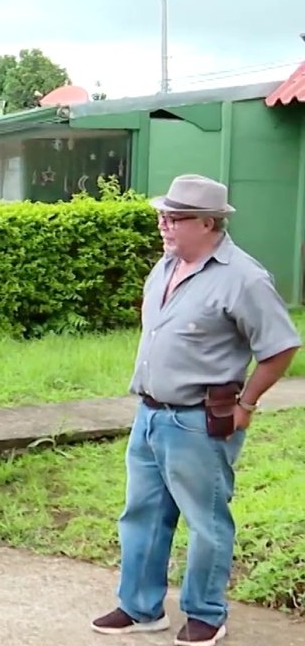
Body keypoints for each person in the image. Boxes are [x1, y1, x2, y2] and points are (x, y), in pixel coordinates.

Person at [91, 175, 300, 646]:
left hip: (199, 420)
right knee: (140, 514)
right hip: (149, 414)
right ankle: (140, 606)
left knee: (205, 520)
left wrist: (247, 404)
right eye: (162, 215)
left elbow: (281, 347)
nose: (164, 225)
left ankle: (205, 613)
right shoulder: (165, 266)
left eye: (175, 218)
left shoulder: (244, 278)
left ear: (209, 223)